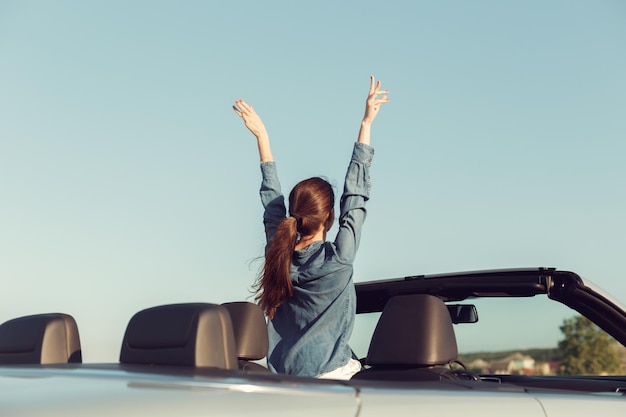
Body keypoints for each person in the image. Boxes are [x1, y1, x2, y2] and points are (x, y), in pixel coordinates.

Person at [232, 76, 389, 379]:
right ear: (329, 217)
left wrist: (262, 136)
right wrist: (366, 123)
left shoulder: (279, 257)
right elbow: (354, 198)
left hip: (282, 379)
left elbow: (273, 207)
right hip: (332, 379)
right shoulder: (338, 260)